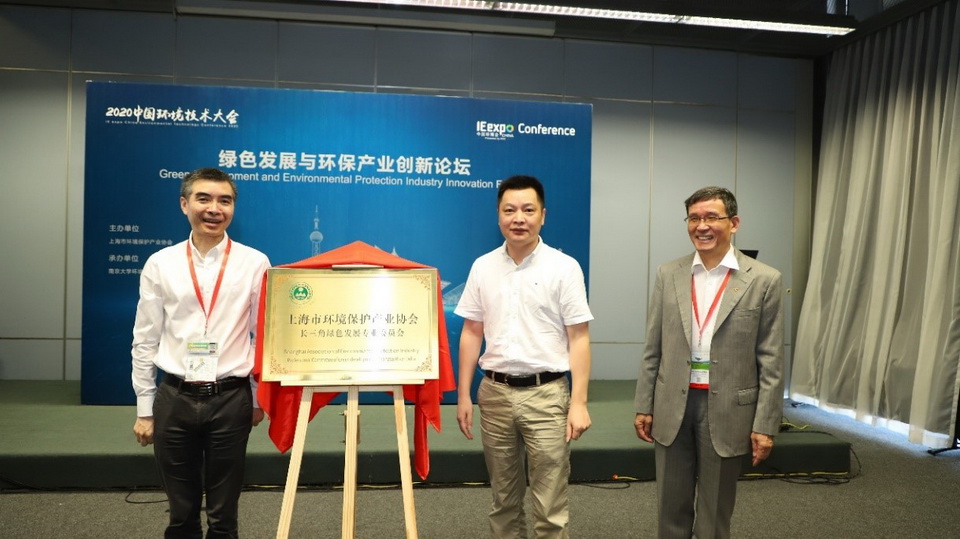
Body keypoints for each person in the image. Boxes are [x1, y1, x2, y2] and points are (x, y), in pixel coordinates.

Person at [633, 186, 784, 539]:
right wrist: (644, 404)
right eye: (694, 218)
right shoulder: (669, 273)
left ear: (734, 223)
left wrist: (765, 424)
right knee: (670, 507)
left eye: (712, 217)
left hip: (728, 407)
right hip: (673, 404)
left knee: (715, 513)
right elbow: (653, 345)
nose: (701, 226)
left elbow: (771, 358)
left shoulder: (764, 279)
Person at [131, 167, 270, 538]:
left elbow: (262, 335)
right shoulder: (161, 263)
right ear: (184, 204)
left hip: (231, 398)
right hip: (174, 396)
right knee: (181, 514)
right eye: (203, 199)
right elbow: (145, 338)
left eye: (225, 201)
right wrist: (145, 408)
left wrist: (257, 396)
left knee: (224, 516)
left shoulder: (255, 262)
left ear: (233, 208)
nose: (214, 209)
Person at [455, 174, 594, 538]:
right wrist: (463, 394)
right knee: (503, 500)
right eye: (510, 210)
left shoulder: (564, 267)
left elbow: (579, 337)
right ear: (499, 215)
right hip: (494, 394)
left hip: (547, 396)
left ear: (542, 216)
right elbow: (472, 331)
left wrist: (578, 403)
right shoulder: (483, 266)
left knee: (549, 506)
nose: (519, 218)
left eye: (528, 210)